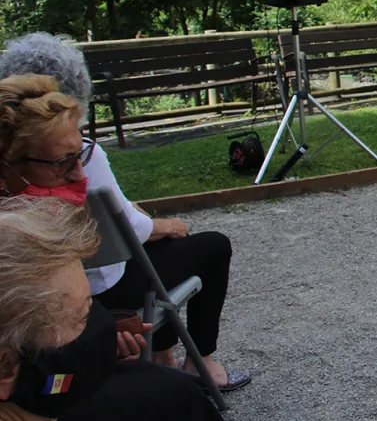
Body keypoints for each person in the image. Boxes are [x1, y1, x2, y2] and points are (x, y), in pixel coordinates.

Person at [0, 54, 248, 393]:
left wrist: (102, 336)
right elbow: (132, 231)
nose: (79, 176)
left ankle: (163, 357)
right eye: (63, 162)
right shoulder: (21, 244)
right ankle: (201, 363)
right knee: (206, 247)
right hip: (56, 372)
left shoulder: (37, 209)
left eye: (81, 157)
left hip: (66, 360)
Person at [0, 196, 224, 421]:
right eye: (83, 316)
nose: (101, 323)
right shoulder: (169, 400)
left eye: (93, 303)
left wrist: (93, 356)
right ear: (6, 368)